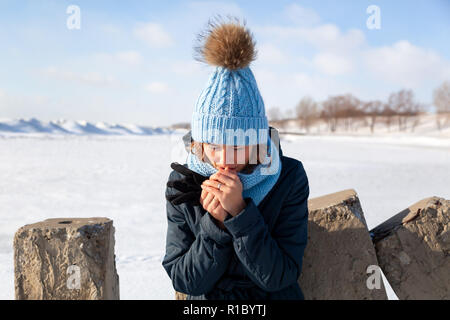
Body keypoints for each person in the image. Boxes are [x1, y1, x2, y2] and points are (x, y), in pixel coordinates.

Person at [162, 16, 310, 300]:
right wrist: (215, 224)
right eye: (215, 145)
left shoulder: (288, 177)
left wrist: (241, 214)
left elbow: (281, 275)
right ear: (200, 142)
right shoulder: (182, 183)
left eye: (238, 145)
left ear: (256, 141)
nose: (224, 160)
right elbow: (184, 280)